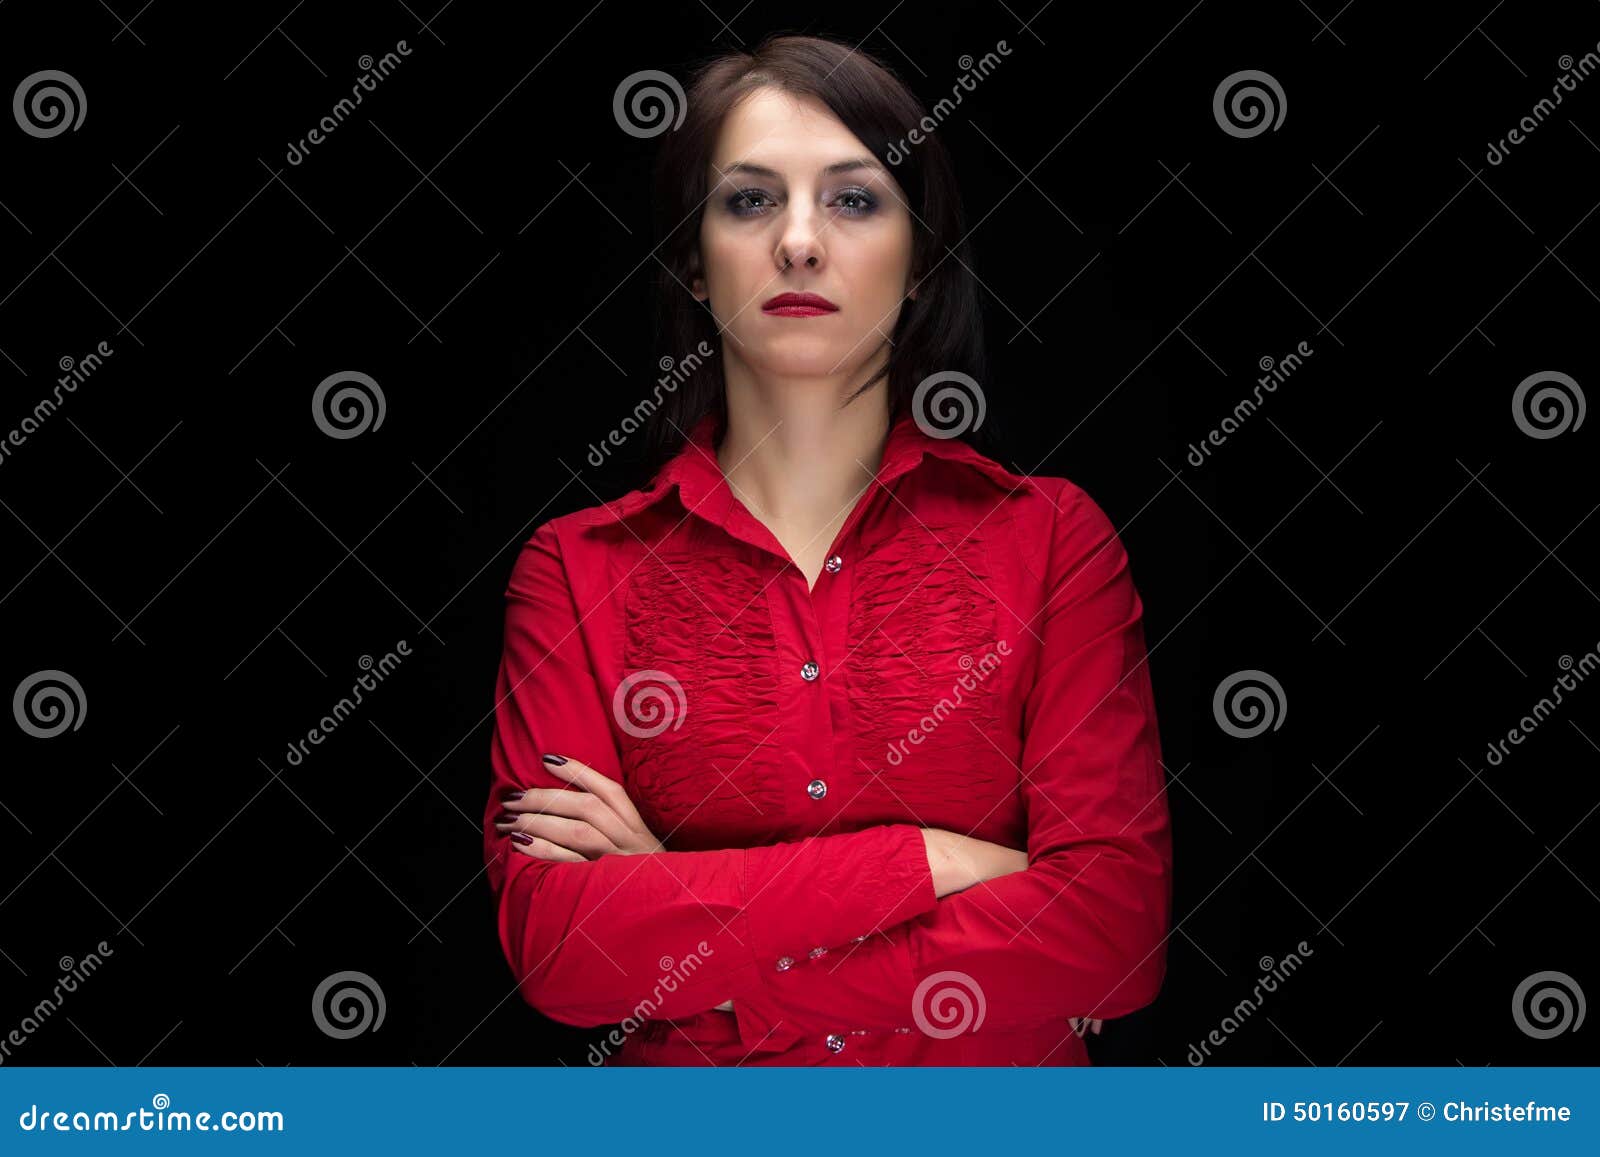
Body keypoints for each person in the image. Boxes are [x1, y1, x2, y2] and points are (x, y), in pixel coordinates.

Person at [484, 33, 1171, 1065]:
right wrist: (936, 860)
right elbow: (562, 952)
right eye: (750, 201)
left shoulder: (1052, 541)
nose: (799, 243)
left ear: (921, 258)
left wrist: (677, 911)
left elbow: (1111, 938)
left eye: (854, 200)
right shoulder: (575, 569)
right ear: (694, 262)